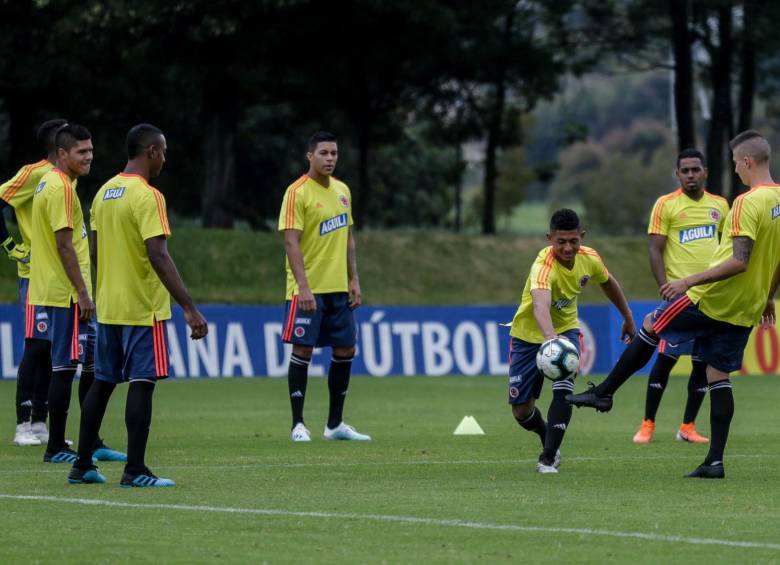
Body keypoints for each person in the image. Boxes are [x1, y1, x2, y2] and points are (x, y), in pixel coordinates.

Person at [567, 130, 780, 479]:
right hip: (746, 306)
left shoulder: (746, 202)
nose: (736, 171)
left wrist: (687, 281)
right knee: (717, 375)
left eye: (735, 165)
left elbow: (740, 260)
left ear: (746, 162)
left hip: (712, 298)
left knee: (652, 322)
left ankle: (604, 393)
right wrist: (768, 295)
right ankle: (714, 462)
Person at [68, 123, 208, 486]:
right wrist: (189, 307)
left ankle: (82, 465)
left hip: (109, 306)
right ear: (151, 152)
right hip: (143, 308)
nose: (164, 158)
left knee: (102, 382)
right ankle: (134, 470)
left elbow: (96, 252)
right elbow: (159, 255)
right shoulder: (149, 196)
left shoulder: (103, 192)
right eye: (163, 151)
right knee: (142, 383)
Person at [507, 209, 635, 473]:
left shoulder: (589, 258)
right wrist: (550, 340)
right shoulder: (542, 268)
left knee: (563, 388)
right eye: (561, 242)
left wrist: (628, 316)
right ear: (549, 239)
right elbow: (540, 307)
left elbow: (609, 282)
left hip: (566, 331)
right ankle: (545, 434)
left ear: (582, 237)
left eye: (573, 241)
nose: (568, 248)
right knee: (521, 411)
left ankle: (548, 457)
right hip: (528, 336)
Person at [29, 123, 124, 464]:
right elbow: (64, 245)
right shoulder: (61, 189)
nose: (89, 157)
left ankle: (90, 440)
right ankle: (56, 446)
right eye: (82, 152)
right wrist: (83, 293)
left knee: (89, 365)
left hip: (63, 290)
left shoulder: (51, 184)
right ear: (62, 153)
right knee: (65, 366)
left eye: (91, 150)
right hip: (67, 293)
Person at [632, 149, 730, 445]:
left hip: (711, 299)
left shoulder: (720, 206)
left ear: (705, 172)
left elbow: (727, 247)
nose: (690, 175)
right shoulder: (666, 205)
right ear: (677, 174)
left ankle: (687, 426)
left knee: (702, 363)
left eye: (695, 170)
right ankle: (647, 423)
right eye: (685, 170)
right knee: (665, 359)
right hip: (678, 298)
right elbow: (654, 248)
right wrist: (665, 286)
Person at [278, 131, 369, 443]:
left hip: (338, 289)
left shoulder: (343, 191)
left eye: (334, 153)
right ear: (310, 156)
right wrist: (303, 287)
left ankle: (334, 425)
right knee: (303, 349)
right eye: (324, 153)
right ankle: (298, 424)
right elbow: (291, 242)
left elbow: (349, 238)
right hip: (307, 289)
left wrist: (353, 279)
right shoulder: (297, 192)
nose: (330, 158)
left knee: (346, 349)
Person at [1, 119, 64, 446]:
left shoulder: (65, 179)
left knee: (53, 349)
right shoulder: (33, 172)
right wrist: (11, 247)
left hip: (60, 277)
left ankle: (41, 421)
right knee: (36, 345)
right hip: (34, 276)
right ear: (58, 145)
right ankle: (23, 424)